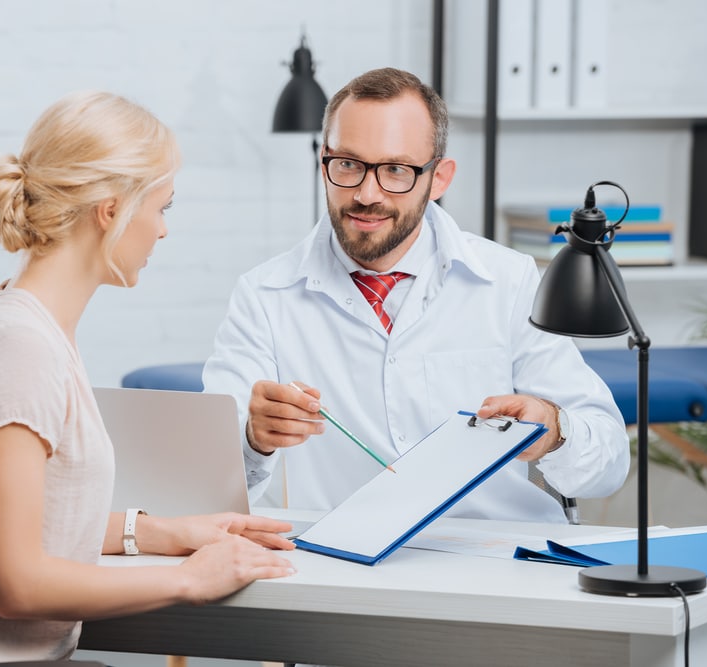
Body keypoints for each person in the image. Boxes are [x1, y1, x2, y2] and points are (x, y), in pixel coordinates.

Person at [0, 91, 295, 666]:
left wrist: (162, 532)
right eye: (162, 208)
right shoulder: (17, 347)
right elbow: (18, 584)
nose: (162, 231)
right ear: (111, 210)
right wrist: (190, 580)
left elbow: (29, 524)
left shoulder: (31, 327)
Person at [203, 68, 629, 520]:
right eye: (348, 164)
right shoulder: (265, 296)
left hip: (497, 557)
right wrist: (253, 440)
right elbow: (208, 484)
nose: (367, 194)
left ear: (439, 178)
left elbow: (609, 466)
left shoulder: (510, 281)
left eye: (395, 170)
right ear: (323, 161)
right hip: (343, 565)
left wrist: (554, 431)